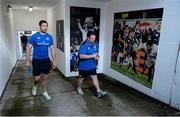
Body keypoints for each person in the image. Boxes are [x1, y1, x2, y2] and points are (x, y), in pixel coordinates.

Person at [25, 20, 56, 100]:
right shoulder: (34, 36)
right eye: (43, 26)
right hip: (36, 60)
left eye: (46, 26)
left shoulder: (49, 37)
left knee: (45, 77)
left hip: (46, 60)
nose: (45, 27)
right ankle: (34, 85)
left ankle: (45, 92)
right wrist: (27, 61)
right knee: (37, 78)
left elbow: (52, 49)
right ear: (40, 26)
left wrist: (54, 61)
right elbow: (28, 48)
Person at [77, 31, 107, 98]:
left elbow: (95, 52)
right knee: (81, 79)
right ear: (88, 38)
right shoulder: (83, 45)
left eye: (94, 38)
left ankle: (98, 91)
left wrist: (97, 56)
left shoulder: (94, 44)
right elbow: (81, 56)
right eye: (92, 38)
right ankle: (79, 88)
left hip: (92, 66)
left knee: (95, 78)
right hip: (83, 67)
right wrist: (92, 56)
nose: (94, 40)